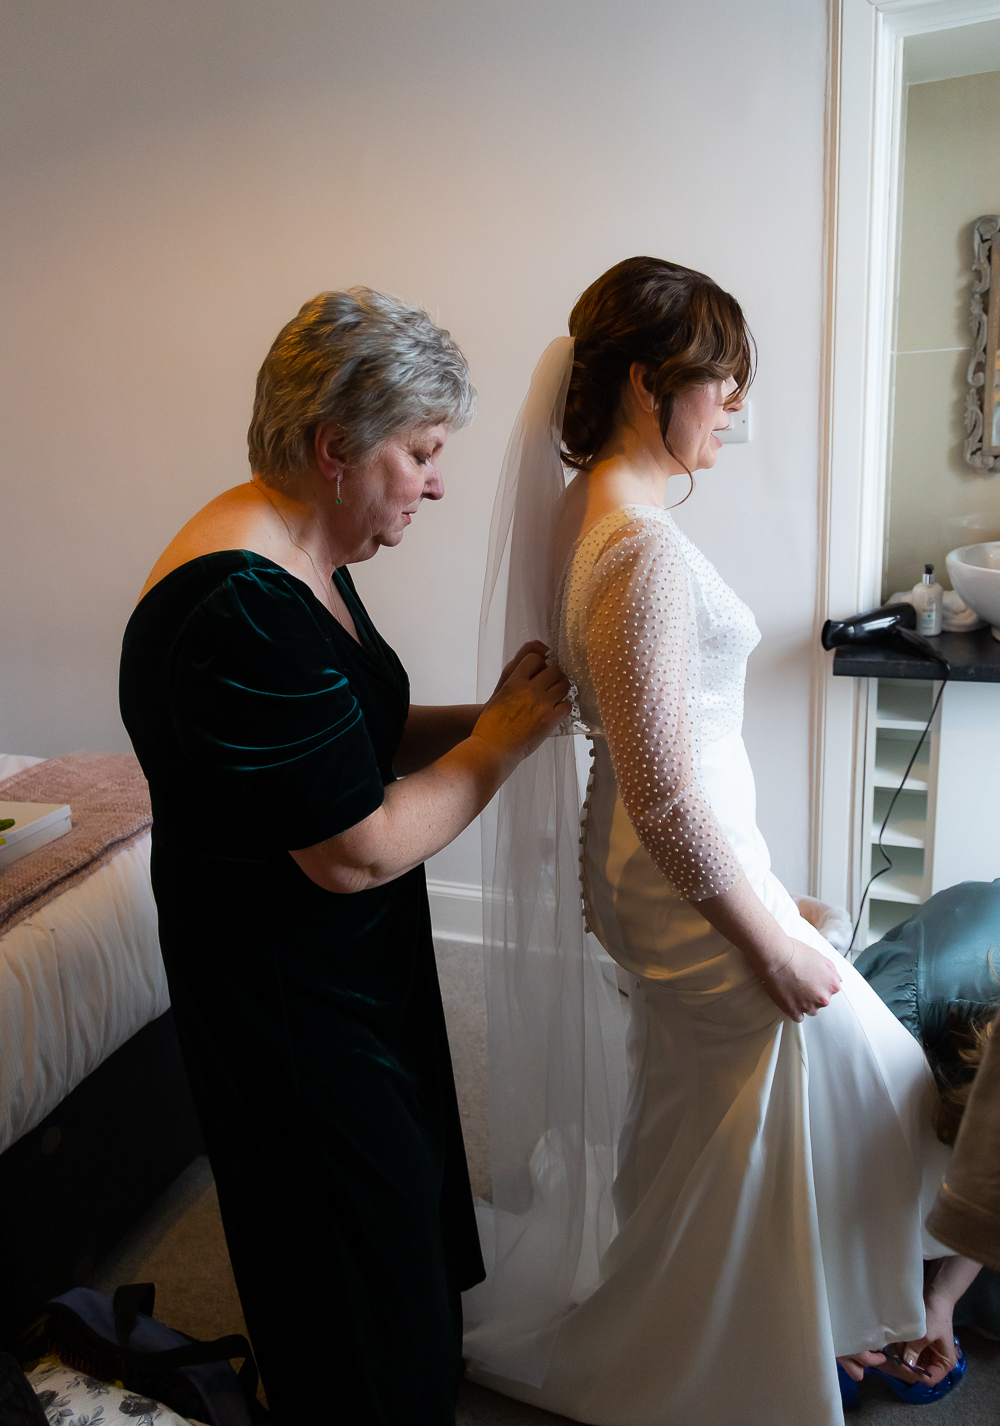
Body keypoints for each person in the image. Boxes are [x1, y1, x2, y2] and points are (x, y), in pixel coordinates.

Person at [463, 258, 953, 1425]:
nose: (734, 404)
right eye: (721, 380)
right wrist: (767, 937)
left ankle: (775, 1323)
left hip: (685, 871)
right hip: (679, 878)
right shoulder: (637, 548)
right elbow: (665, 793)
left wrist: (772, 894)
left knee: (712, 1112)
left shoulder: (597, 514)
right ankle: (726, 1351)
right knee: (866, 1080)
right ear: (648, 383)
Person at [118, 288, 570, 1425]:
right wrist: (502, 747)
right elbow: (355, 851)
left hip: (342, 968)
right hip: (286, 992)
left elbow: (349, 736)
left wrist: (492, 715)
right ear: (335, 448)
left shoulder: (303, 549)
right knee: (349, 1244)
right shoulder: (238, 607)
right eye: (420, 453)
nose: (435, 482)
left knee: (394, 1218)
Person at [854, 880, 1000, 1354]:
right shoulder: (903, 1011)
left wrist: (942, 1298)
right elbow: (823, 1159)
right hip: (920, 1012)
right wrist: (843, 1307)